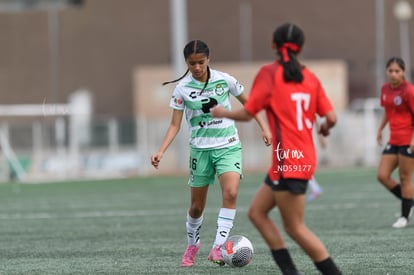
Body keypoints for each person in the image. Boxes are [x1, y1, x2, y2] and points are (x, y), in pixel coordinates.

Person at [211, 23, 342, 275]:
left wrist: (222, 112)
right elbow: (332, 117)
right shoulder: (310, 78)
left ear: (273, 44)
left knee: (295, 228)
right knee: (257, 213)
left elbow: (249, 113)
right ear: (301, 47)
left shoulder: (269, 74)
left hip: (289, 162)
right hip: (299, 159)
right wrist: (324, 128)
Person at [150, 40, 271, 267]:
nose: (196, 67)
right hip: (200, 151)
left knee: (231, 193)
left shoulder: (225, 80)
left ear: (208, 59)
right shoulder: (182, 89)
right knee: (196, 206)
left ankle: (218, 247)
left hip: (228, 145)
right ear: (186, 62)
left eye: (200, 62)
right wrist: (161, 151)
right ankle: (192, 245)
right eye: (192, 63)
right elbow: (175, 125)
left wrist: (264, 127)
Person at [376, 56, 414, 229]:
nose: (393, 74)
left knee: (405, 178)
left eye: (397, 71)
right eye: (390, 71)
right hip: (394, 140)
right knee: (382, 176)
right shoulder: (385, 89)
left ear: (403, 72)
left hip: (408, 140)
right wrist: (380, 129)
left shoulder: (409, 91)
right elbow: (387, 111)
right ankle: (410, 201)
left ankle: (404, 217)